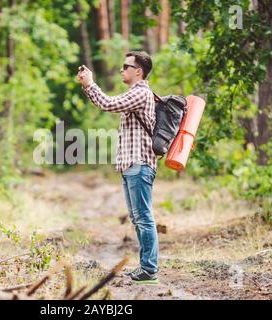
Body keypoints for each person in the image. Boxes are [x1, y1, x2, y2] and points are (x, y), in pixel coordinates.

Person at [77, 51, 159, 284]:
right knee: (137, 218)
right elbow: (108, 104)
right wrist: (88, 87)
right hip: (131, 166)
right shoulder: (135, 94)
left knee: (143, 218)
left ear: (138, 72)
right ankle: (146, 268)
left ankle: (150, 269)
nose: (122, 70)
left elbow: (108, 104)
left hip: (139, 164)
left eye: (126, 66)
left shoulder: (141, 93)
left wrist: (91, 84)